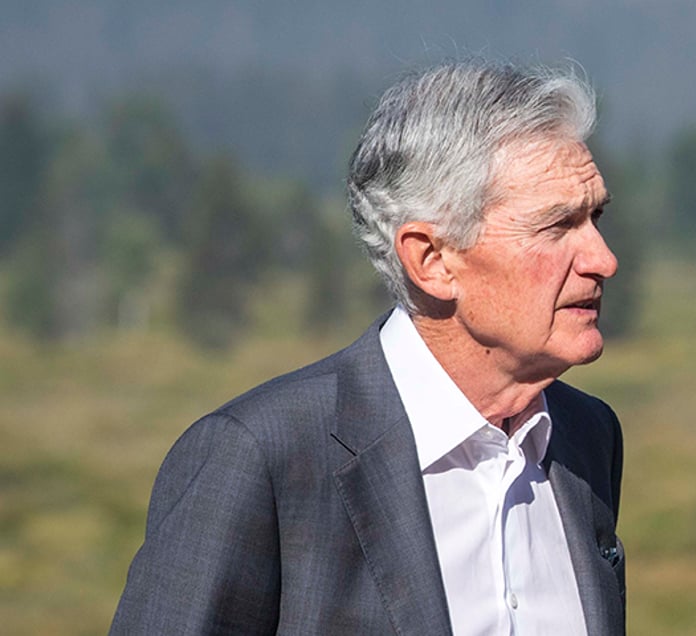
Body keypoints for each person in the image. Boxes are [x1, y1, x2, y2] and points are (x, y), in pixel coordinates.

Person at [110, 59, 625, 636]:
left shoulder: (588, 436)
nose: (602, 259)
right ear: (430, 260)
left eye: (595, 216)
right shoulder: (260, 457)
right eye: (556, 226)